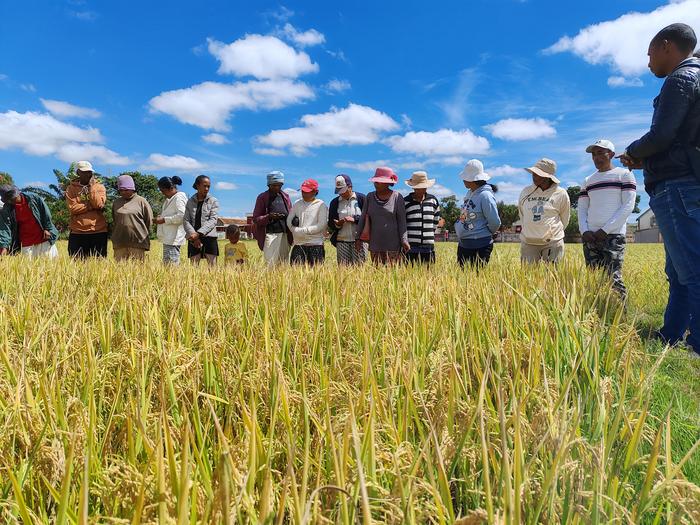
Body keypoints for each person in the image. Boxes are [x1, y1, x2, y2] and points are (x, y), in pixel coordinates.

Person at [619, 23, 700, 357]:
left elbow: (662, 135)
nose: (648, 61)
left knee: (691, 269)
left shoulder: (680, 79)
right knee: (680, 269)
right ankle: (672, 332)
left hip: (677, 186)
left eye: (650, 52)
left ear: (667, 46)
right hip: (685, 180)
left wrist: (633, 152)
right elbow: (681, 139)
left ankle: (694, 342)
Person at [579, 140, 637, 299]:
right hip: (590, 236)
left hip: (613, 236)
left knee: (613, 278)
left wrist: (605, 230)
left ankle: (620, 318)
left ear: (611, 154)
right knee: (593, 279)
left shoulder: (625, 175)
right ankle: (596, 315)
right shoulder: (587, 180)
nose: (596, 157)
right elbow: (582, 209)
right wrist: (584, 231)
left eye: (600, 153)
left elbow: (628, 206)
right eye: (593, 154)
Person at [518, 158, 571, 263]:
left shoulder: (560, 193)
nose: (534, 176)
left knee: (553, 276)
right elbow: (522, 214)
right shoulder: (526, 191)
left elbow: (565, 217)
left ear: (548, 177)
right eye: (534, 173)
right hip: (529, 242)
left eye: (538, 174)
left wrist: (551, 232)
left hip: (553, 242)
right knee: (528, 277)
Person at [356, 167, 409, 265]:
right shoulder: (370, 197)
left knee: (393, 274)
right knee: (377, 275)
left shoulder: (397, 197)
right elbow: (363, 218)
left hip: (393, 245)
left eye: (379, 181)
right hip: (375, 244)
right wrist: (358, 238)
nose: (376, 183)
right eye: (375, 181)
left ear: (388, 183)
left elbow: (402, 222)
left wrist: (404, 240)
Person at [455, 159, 501, 267]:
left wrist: (484, 233)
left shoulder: (485, 196)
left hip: (480, 246)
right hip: (464, 244)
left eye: (465, 178)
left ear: (473, 180)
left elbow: (494, 221)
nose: (463, 180)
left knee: (476, 278)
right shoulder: (469, 194)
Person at [0, 185, 59, 258]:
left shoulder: (33, 198)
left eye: (13, 198)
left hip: (43, 238)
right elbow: (5, 228)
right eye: (9, 200)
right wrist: (4, 246)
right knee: (29, 266)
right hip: (26, 242)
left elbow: (45, 213)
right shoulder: (7, 209)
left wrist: (48, 228)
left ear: (17, 193)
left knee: (50, 263)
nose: (12, 201)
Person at [65, 160, 108, 258]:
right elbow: (72, 208)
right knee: (76, 263)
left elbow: (98, 204)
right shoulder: (71, 189)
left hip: (98, 231)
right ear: (78, 173)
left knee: (98, 265)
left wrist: (92, 187)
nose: (87, 174)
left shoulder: (99, 187)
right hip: (77, 231)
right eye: (84, 172)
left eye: (89, 172)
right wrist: (89, 206)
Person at [252, 171, 294, 266]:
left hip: (285, 234)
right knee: (270, 263)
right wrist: (269, 217)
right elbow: (256, 219)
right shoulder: (262, 197)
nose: (277, 187)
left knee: (283, 263)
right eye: (274, 185)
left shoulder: (285, 197)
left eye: (279, 185)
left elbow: (290, 213)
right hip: (270, 235)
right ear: (269, 185)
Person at [404, 171, 443, 265]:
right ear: (413, 187)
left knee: (428, 274)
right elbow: (403, 223)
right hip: (411, 246)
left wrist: (429, 235)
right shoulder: (405, 202)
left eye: (422, 187)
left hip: (428, 245)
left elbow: (436, 221)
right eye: (417, 188)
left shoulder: (433, 200)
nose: (420, 190)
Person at [111, 175, 153, 261]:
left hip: (138, 242)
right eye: (121, 190)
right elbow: (115, 220)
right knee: (119, 270)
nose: (124, 192)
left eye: (126, 190)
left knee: (137, 269)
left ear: (132, 189)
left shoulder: (141, 201)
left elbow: (148, 220)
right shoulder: (116, 202)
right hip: (120, 242)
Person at [287, 179, 328, 266]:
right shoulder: (297, 204)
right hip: (298, 244)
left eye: (307, 192)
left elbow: (321, 225)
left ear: (315, 192)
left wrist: (303, 231)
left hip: (315, 244)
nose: (304, 194)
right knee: (296, 273)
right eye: (303, 191)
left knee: (315, 274)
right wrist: (295, 230)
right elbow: (289, 221)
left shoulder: (321, 205)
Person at [327, 174, 367, 265]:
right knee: (343, 270)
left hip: (359, 240)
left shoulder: (362, 199)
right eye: (339, 191)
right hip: (341, 241)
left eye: (343, 190)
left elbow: (368, 218)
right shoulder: (334, 203)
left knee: (360, 269)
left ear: (350, 187)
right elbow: (330, 223)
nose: (341, 193)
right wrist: (337, 224)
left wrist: (355, 219)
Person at [183, 175, 220, 266]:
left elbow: (213, 220)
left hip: (210, 238)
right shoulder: (190, 201)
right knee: (193, 269)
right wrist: (194, 236)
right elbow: (186, 220)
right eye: (204, 186)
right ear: (197, 185)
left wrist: (198, 233)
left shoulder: (213, 201)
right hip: (193, 238)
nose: (207, 188)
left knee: (213, 268)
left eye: (208, 186)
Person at [155, 175, 187, 265]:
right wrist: (161, 217)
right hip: (169, 238)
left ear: (171, 188)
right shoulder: (169, 199)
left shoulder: (179, 197)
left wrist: (164, 220)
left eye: (163, 190)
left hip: (173, 238)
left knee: (172, 266)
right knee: (168, 266)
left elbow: (182, 216)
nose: (162, 193)